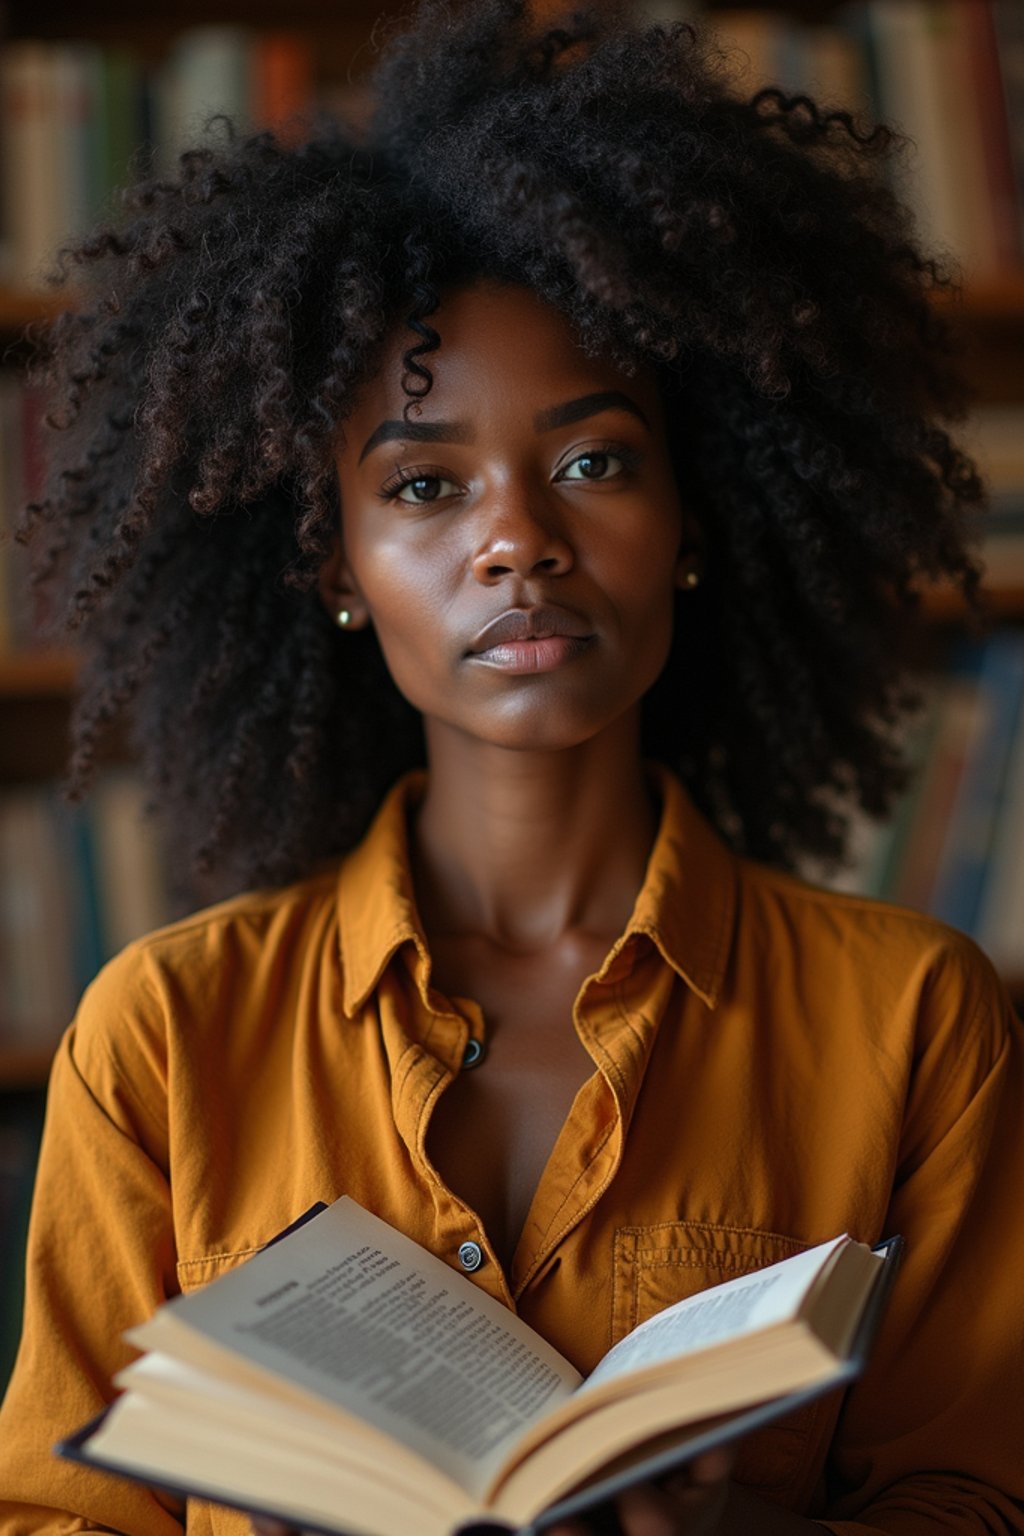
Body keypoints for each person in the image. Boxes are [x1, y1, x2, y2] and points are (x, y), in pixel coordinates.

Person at [1, 2, 1022, 1533]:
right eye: (423, 482)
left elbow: (976, 1496)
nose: (518, 539)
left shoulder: (913, 1023)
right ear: (334, 562)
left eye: (596, 460)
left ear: (693, 520)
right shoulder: (164, 1038)